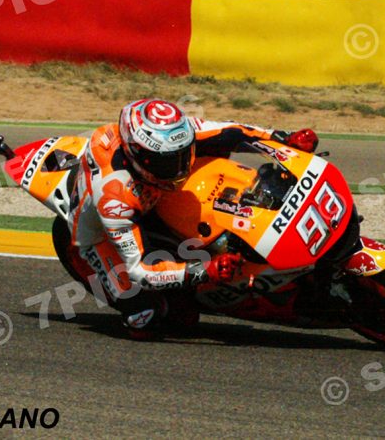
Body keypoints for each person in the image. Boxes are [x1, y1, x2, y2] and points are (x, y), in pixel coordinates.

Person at [66, 98, 318, 339]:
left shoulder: (172, 136)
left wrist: (284, 138)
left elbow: (233, 131)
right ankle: (136, 310)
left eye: (184, 155)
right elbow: (141, 271)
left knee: (218, 145)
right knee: (150, 319)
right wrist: (206, 270)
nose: (181, 168)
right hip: (100, 235)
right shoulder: (115, 198)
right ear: (138, 155)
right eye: (169, 163)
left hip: (155, 191)